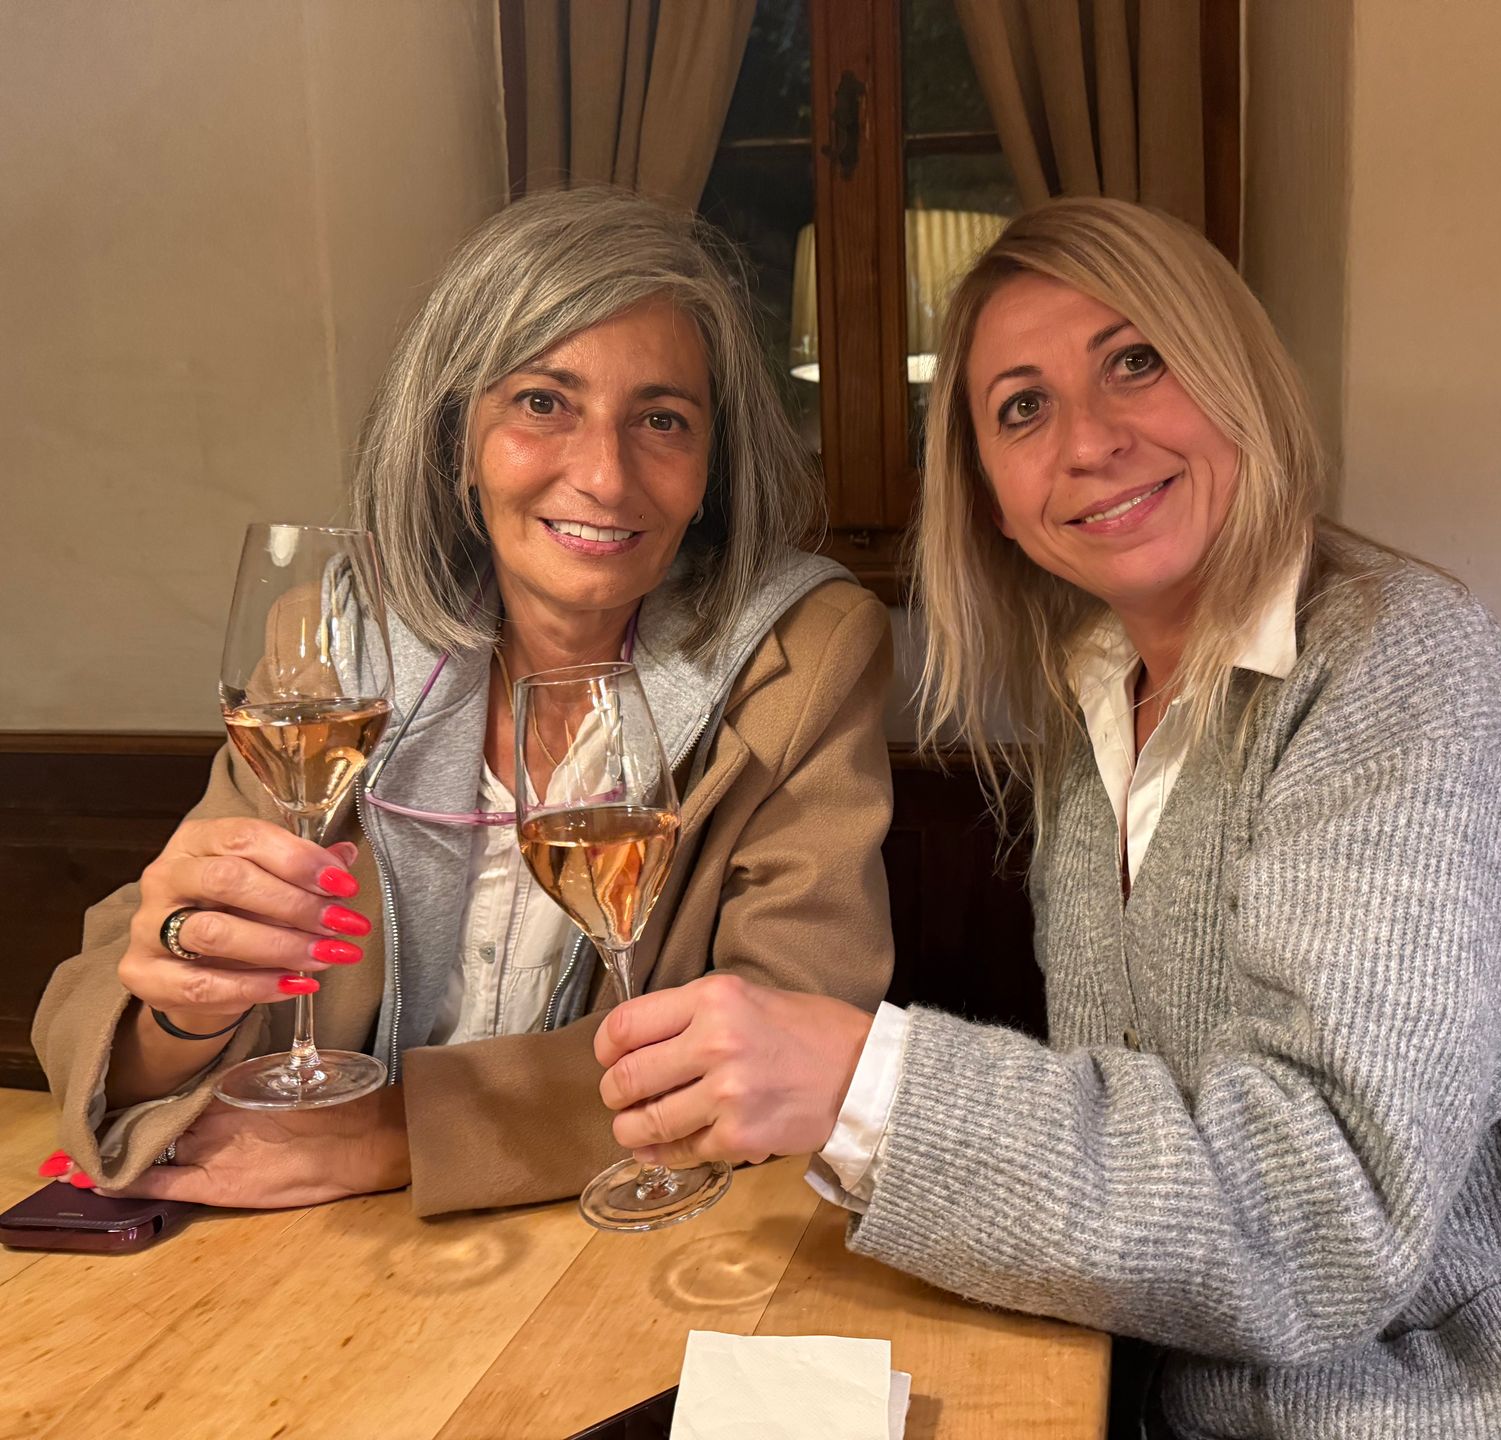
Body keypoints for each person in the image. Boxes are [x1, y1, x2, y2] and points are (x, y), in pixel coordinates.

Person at [586, 199, 1501, 1438]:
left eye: (1137, 362)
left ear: (1239, 381)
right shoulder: (1096, 704)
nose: (1089, 441)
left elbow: (1327, 1212)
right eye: (1022, 407)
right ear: (989, 493)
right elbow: (1160, 1136)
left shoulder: (1405, 675)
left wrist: (868, 1086)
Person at [32, 188, 893, 1217]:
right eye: (543, 403)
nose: (605, 475)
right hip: (330, 1245)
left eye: (662, 420)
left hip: (644, 1235)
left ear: (711, 468)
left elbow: (795, 1032)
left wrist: (400, 1134)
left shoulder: (802, 653)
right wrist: (184, 1011)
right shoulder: (334, 647)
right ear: (457, 441)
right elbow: (106, 1020)